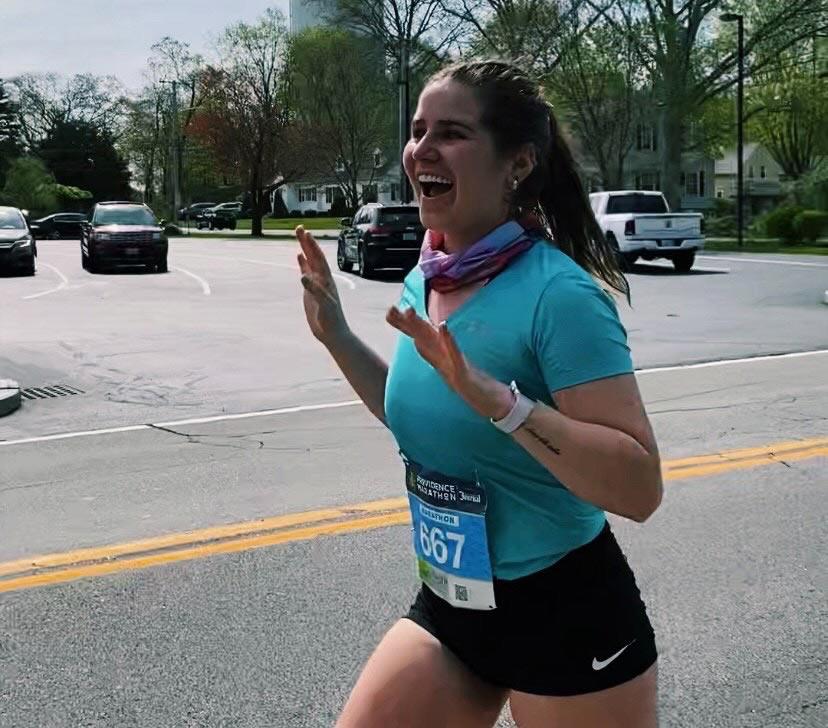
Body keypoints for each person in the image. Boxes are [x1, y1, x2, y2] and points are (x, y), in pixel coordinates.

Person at [296, 60, 663, 728]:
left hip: (566, 616)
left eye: (453, 133)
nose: (422, 150)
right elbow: (425, 419)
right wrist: (337, 337)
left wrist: (505, 404)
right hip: (455, 602)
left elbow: (639, 488)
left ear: (517, 163)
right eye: (417, 130)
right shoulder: (428, 276)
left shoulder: (560, 297)